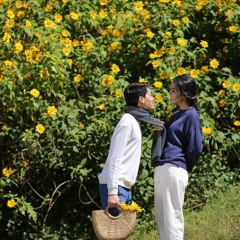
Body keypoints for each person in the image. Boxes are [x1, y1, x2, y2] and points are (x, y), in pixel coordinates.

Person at [98, 82, 164, 216]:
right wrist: (112, 192)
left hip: (123, 187)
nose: (153, 98)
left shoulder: (134, 121)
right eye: (150, 95)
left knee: (122, 234)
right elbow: (115, 157)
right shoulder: (127, 122)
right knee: (115, 234)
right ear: (141, 99)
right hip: (116, 187)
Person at [153, 74, 204, 240]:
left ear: (184, 93)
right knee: (162, 219)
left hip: (175, 168)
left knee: (172, 219)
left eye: (174, 90)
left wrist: (184, 165)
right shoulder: (176, 115)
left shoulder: (191, 115)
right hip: (162, 168)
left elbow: (196, 146)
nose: (170, 92)